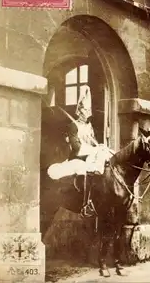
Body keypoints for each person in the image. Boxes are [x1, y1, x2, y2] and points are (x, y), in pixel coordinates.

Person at [47, 85, 112, 218]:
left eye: (88, 111)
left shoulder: (89, 126)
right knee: (85, 171)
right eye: (84, 111)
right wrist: (93, 149)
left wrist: (98, 146)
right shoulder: (73, 126)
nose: (86, 114)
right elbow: (76, 147)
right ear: (79, 111)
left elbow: (92, 141)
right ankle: (86, 204)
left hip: (89, 156)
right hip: (77, 158)